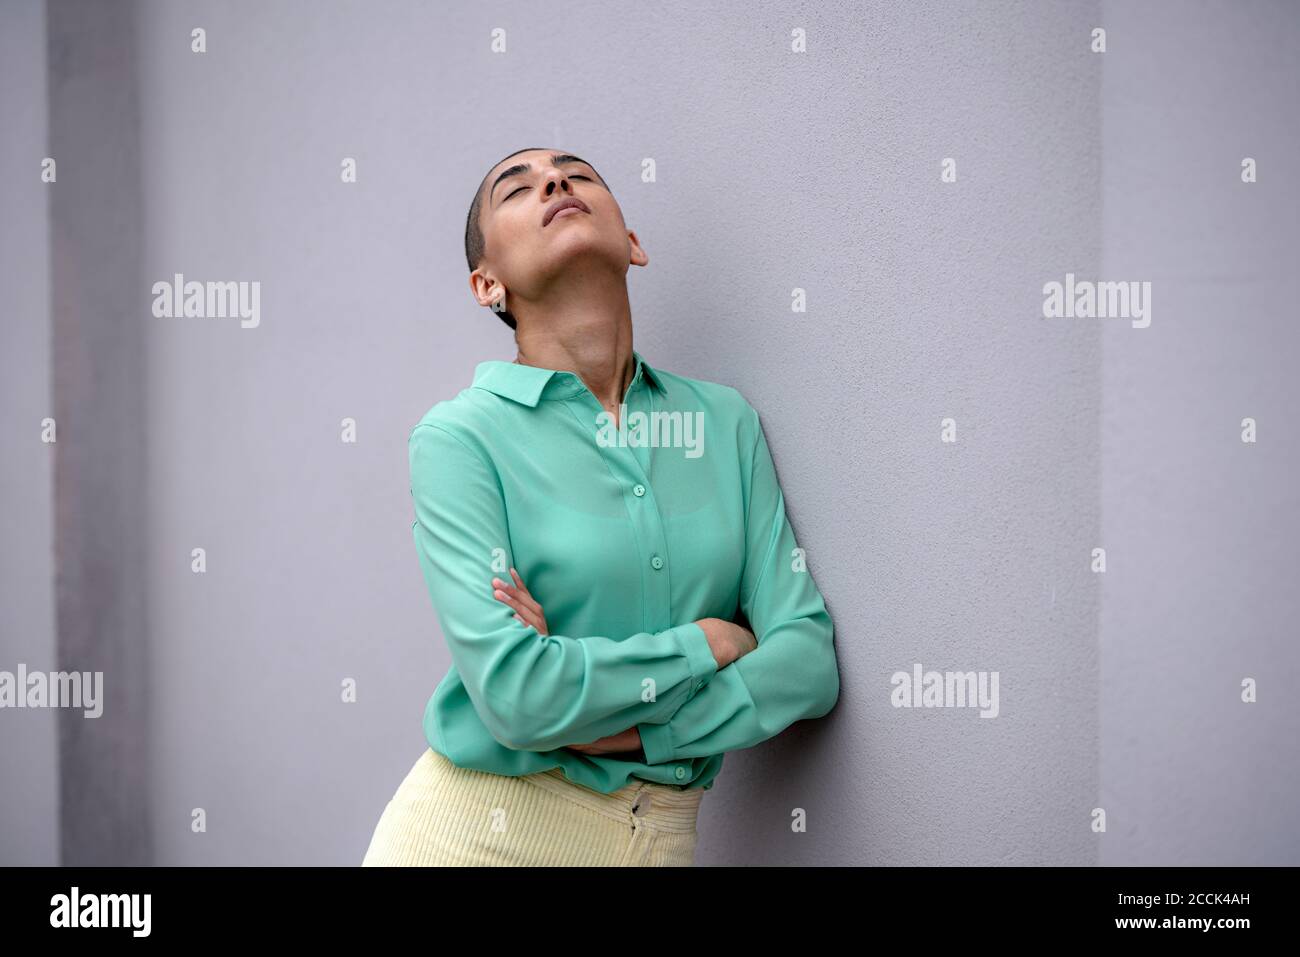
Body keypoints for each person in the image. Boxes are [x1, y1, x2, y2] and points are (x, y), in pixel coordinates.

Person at [361, 148, 839, 866]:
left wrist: (640, 731)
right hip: (476, 839)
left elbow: (807, 662)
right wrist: (711, 643)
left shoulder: (724, 423)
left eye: (578, 175)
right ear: (486, 283)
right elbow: (520, 696)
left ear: (633, 245)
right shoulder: (460, 440)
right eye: (516, 190)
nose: (555, 183)